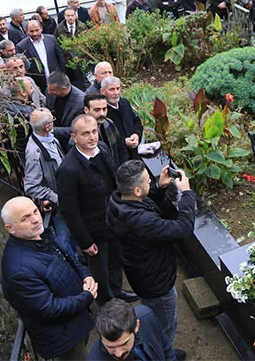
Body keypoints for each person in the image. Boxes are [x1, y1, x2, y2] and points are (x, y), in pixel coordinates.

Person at [107, 161, 197, 360]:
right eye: (149, 181)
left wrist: (158, 187)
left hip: (141, 273)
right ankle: (165, 354)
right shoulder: (141, 221)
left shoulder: (116, 200)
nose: (151, 181)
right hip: (157, 282)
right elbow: (182, 229)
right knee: (164, 325)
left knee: (153, 316)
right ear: (137, 190)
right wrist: (187, 194)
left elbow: (145, 206)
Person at [1, 196, 96, 361]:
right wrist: (86, 297)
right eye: (25, 218)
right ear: (11, 228)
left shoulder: (39, 235)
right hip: (64, 337)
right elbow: (48, 308)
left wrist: (85, 274)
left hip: (75, 322)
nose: (36, 219)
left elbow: (67, 255)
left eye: (35, 212)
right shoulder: (19, 270)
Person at [57, 115, 137, 304]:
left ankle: (117, 293)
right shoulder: (68, 170)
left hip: (112, 223)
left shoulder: (101, 148)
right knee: (100, 272)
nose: (92, 136)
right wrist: (85, 242)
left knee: (116, 262)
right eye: (86, 134)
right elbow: (70, 211)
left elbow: (114, 182)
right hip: (93, 232)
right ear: (74, 137)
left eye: (94, 131)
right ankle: (107, 305)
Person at [24, 108, 77, 255]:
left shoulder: (49, 138)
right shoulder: (35, 153)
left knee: (71, 233)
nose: (54, 122)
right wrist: (55, 198)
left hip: (65, 195)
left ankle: (76, 258)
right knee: (64, 238)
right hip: (59, 202)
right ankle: (71, 265)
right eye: (52, 120)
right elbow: (31, 186)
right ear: (47, 126)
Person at [88, 299, 172, 361]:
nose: (118, 354)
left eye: (124, 343)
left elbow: (165, 347)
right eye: (110, 347)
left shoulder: (146, 316)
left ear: (136, 325)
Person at [16, 20, 66, 93]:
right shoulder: (22, 46)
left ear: (41, 28)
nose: (35, 33)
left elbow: (61, 58)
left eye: (37, 30)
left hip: (57, 80)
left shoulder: (51, 39)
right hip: (39, 84)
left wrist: (63, 75)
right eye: (31, 31)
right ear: (26, 31)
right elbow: (25, 68)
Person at [101, 76, 144, 161]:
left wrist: (136, 134)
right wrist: (123, 142)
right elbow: (104, 138)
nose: (116, 92)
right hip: (120, 158)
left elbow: (136, 121)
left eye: (118, 88)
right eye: (112, 89)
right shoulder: (102, 112)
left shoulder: (124, 103)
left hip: (136, 153)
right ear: (102, 91)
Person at [84, 92, 128, 171]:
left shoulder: (109, 123)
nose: (102, 113)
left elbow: (121, 148)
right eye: (97, 110)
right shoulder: (81, 135)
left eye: (104, 109)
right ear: (86, 110)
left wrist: (121, 170)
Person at [47, 70, 86, 144]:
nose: (49, 92)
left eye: (52, 90)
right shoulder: (50, 91)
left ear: (64, 89)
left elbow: (77, 129)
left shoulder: (81, 102)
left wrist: (51, 130)